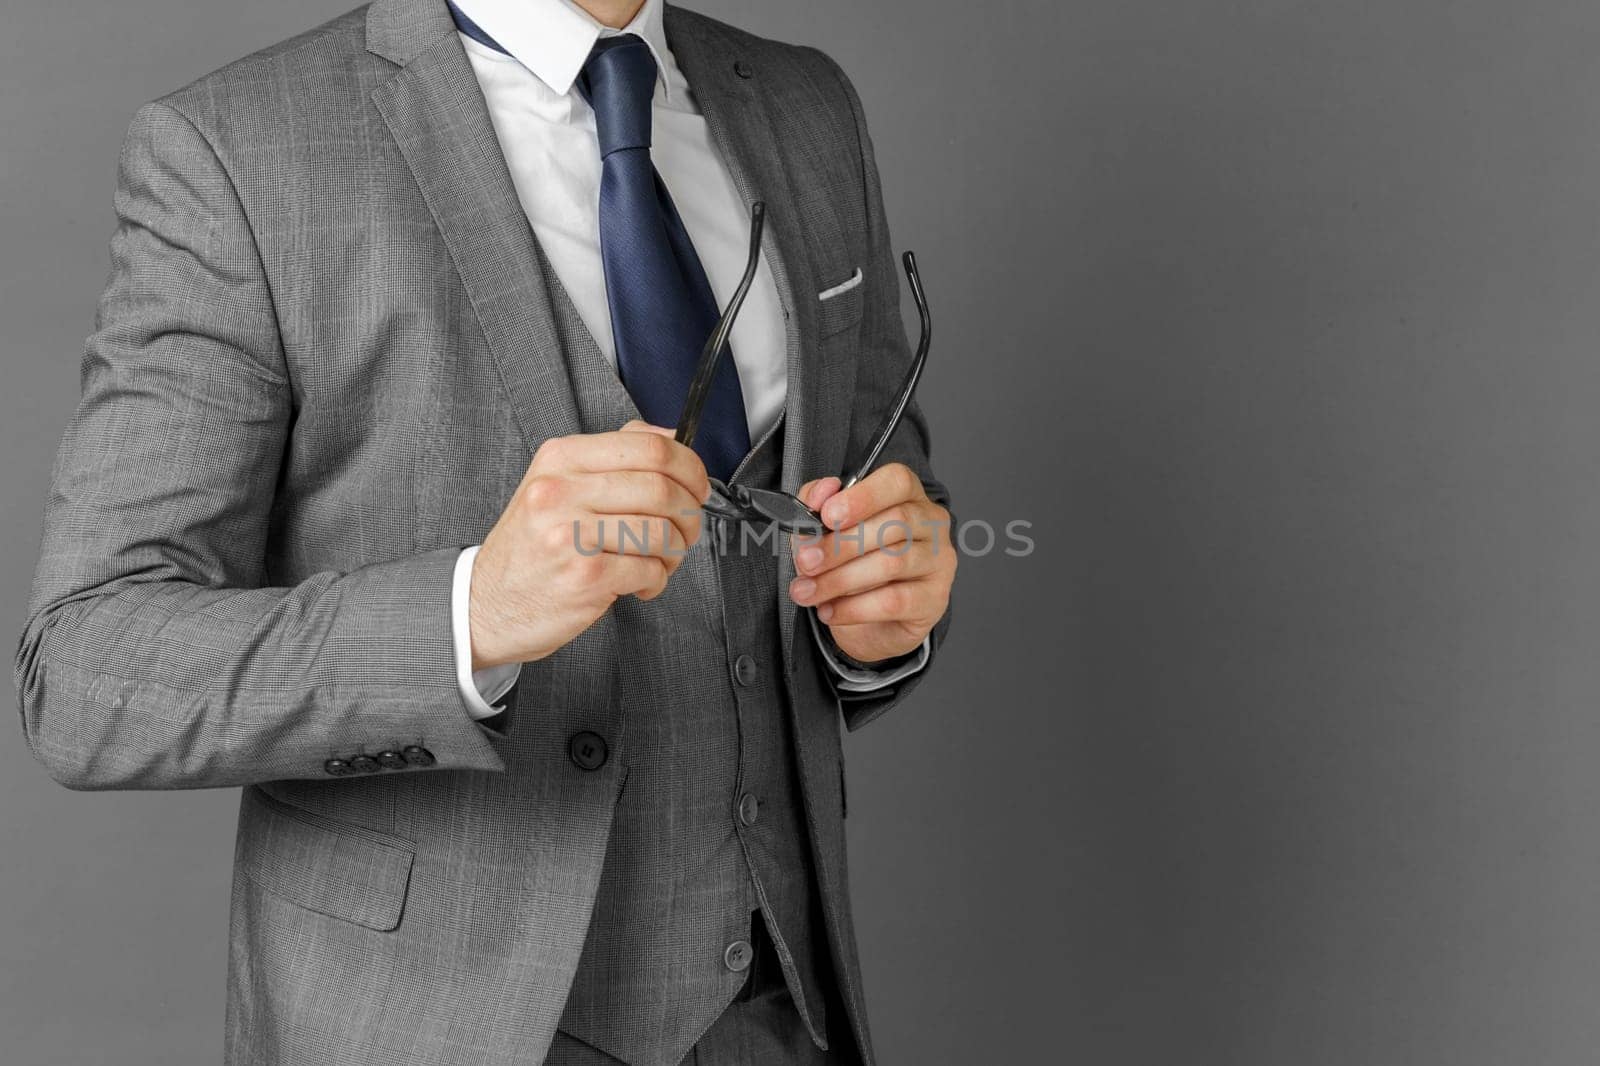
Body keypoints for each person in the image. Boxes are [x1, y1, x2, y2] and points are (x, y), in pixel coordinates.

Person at [14, 0, 956, 1062]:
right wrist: (470, 614)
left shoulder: (806, 103)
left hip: (780, 1004)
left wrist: (882, 615)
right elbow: (86, 673)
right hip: (433, 1017)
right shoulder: (239, 149)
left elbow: (889, 491)